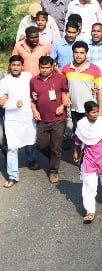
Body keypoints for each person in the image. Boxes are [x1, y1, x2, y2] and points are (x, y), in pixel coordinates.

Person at [29, 54, 69, 183]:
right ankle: (53, 157)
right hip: (42, 119)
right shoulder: (34, 80)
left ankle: (53, 171)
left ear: (52, 67)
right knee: (41, 145)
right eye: (42, 67)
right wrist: (35, 111)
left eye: (47, 67)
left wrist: (62, 106)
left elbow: (65, 94)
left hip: (58, 118)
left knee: (56, 146)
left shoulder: (60, 79)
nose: (44, 70)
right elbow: (32, 98)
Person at [73, 100, 102, 223]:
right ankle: (90, 210)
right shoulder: (81, 125)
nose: (96, 114)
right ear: (86, 113)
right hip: (88, 157)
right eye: (93, 112)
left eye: (97, 112)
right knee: (89, 184)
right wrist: (76, 151)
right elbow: (78, 139)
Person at [0, 55, 37, 186]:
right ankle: (12, 176)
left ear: (22, 66)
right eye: (13, 65)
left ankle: (31, 160)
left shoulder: (28, 76)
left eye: (18, 65)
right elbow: (1, 103)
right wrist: (14, 104)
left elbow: (35, 89)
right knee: (12, 147)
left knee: (30, 141)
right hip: (12, 120)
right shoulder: (5, 81)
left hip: (27, 117)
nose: (15, 67)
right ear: (10, 66)